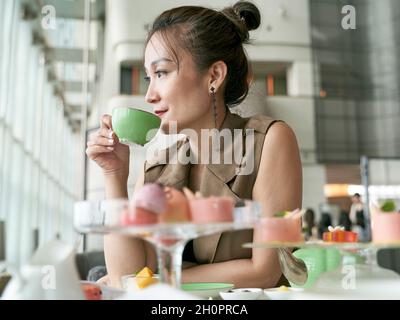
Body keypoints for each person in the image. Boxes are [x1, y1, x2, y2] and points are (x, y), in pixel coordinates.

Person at [86, 1, 302, 288]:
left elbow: (266, 271)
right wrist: (114, 176)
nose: (149, 94)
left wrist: (158, 277)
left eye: (161, 73)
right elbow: (126, 275)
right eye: (149, 78)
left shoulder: (269, 141)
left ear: (214, 76)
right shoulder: (157, 166)